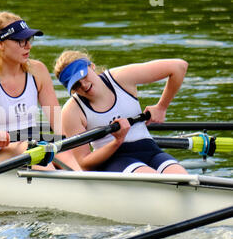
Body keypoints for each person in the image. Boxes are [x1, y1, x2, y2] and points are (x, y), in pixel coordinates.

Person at [0, 11, 80, 170]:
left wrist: (66, 146)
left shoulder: (38, 71)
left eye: (28, 39)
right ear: (0, 44)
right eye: (20, 41)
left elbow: (58, 127)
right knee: (34, 151)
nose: (28, 45)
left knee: (64, 152)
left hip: (33, 141)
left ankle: (86, 183)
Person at [54, 50, 188, 174]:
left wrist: (162, 107)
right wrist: (117, 140)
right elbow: (85, 164)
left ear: (92, 66)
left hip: (151, 150)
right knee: (153, 178)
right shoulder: (71, 111)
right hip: (114, 160)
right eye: (76, 84)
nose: (83, 85)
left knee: (182, 177)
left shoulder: (121, 78)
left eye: (83, 76)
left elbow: (179, 67)